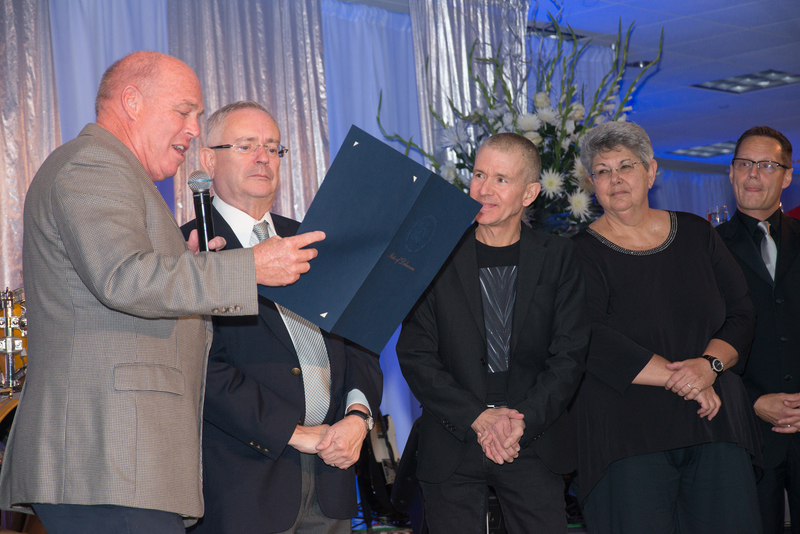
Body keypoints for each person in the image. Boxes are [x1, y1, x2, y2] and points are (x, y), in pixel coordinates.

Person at [0, 52, 324, 534]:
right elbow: (123, 278)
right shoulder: (93, 164)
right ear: (132, 101)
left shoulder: (118, 174)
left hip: (125, 464)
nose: (194, 129)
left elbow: (122, 286)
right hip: (107, 458)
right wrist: (249, 267)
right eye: (184, 111)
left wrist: (189, 267)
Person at [179, 101, 382, 534]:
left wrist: (357, 417)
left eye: (273, 148)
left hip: (332, 474)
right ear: (208, 160)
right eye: (247, 145)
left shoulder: (311, 238)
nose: (263, 158)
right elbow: (199, 367)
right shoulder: (190, 251)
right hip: (242, 482)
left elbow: (360, 340)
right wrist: (291, 431)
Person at [571, 121, 762, 533]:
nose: (615, 178)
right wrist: (689, 379)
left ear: (651, 171)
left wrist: (707, 367)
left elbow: (742, 312)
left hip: (716, 426)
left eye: (627, 165)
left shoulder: (697, 233)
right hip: (626, 437)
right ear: (592, 183)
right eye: (602, 170)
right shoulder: (576, 253)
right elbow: (589, 336)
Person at [397, 133, 589, 533]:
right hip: (453, 439)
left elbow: (569, 355)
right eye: (479, 174)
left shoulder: (559, 257)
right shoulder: (435, 257)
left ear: (530, 192)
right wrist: (477, 418)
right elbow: (416, 354)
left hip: (532, 440)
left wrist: (521, 421)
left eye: (501, 179)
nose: (483, 189)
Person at [716, 126, 800, 534]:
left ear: (787, 176)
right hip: (743, 434)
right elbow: (697, 343)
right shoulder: (705, 250)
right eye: (744, 164)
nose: (753, 175)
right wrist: (751, 401)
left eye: (767, 165)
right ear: (730, 173)